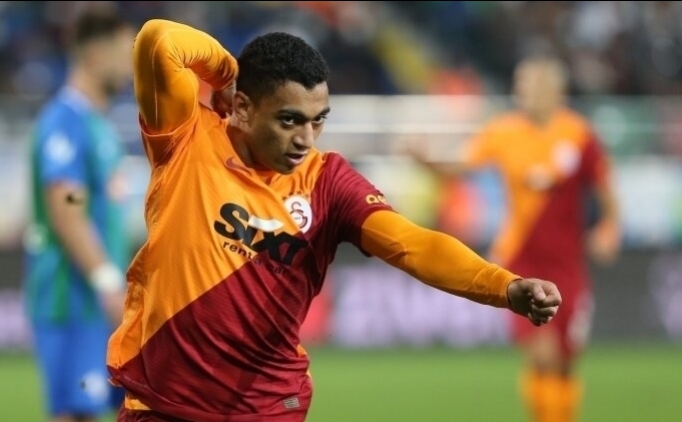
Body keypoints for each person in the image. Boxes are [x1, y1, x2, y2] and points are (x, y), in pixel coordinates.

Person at [107, 19, 562, 422]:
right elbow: (159, 40)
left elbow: (412, 244)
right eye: (289, 120)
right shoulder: (186, 138)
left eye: (317, 121)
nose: (306, 139)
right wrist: (227, 73)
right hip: (160, 409)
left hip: (263, 409)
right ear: (243, 107)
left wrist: (503, 286)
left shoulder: (328, 183)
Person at [409, 54, 621, 422]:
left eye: (532, 85)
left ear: (556, 91)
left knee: (565, 362)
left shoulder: (579, 135)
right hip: (521, 258)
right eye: (520, 86)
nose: (524, 93)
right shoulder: (503, 131)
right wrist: (425, 160)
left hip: (568, 265)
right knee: (543, 355)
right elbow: (460, 167)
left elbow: (606, 191)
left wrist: (608, 228)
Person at [23, 10, 135, 422]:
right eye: (123, 56)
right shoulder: (65, 121)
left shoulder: (97, 125)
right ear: (94, 55)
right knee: (75, 413)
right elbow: (66, 206)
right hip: (70, 298)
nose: (130, 68)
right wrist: (107, 281)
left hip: (94, 299)